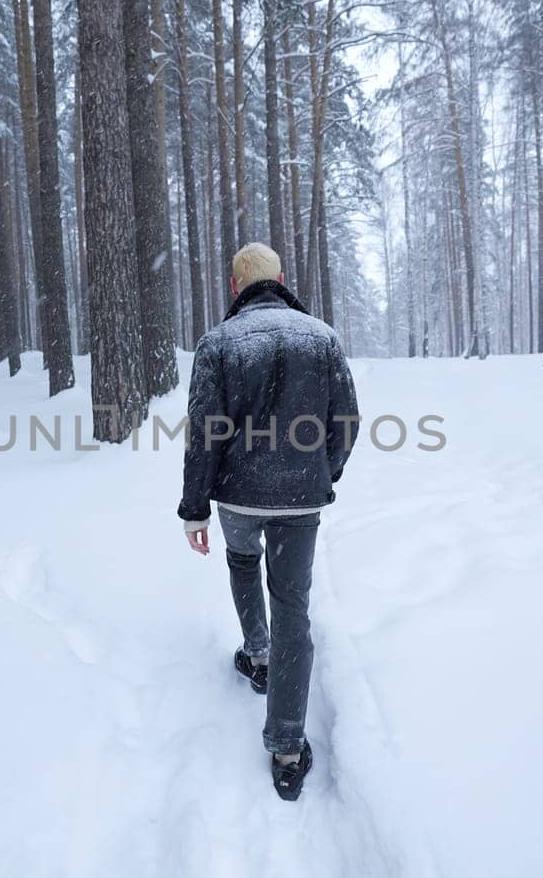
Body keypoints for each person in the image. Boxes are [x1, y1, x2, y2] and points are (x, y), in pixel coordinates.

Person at [178, 241, 359, 801]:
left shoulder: (218, 343)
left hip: (239, 497)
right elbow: (346, 421)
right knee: (294, 607)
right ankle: (286, 745)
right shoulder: (321, 337)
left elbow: (204, 433)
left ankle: (257, 654)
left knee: (241, 561)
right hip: (299, 501)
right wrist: (320, 471)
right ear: (280, 280)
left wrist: (194, 508)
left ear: (237, 287)